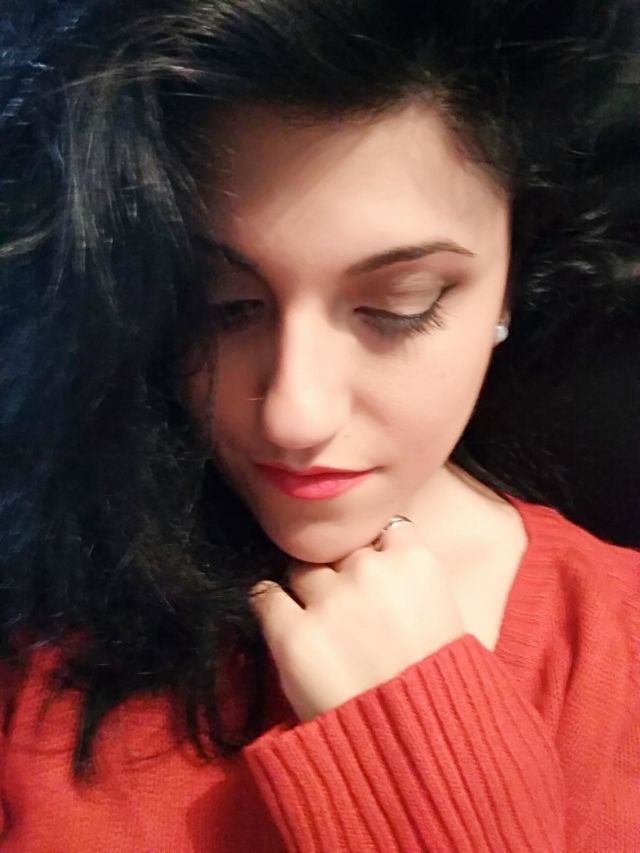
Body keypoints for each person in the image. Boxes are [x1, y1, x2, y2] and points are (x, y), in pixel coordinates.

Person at [1, 1, 638, 850]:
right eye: (224, 306)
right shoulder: (41, 612)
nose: (294, 414)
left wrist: (430, 791)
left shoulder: (621, 649)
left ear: (513, 277)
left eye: (399, 305)